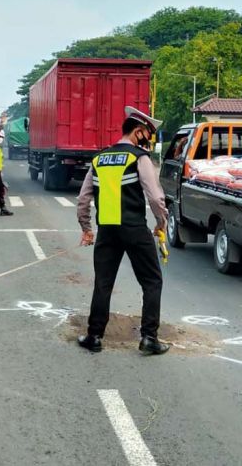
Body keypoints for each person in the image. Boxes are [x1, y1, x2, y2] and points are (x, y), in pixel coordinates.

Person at [76, 106, 170, 356]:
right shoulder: (139, 158)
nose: (148, 140)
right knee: (152, 281)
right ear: (138, 132)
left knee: (103, 283)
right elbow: (155, 197)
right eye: (147, 135)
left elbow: (83, 199)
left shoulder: (99, 158)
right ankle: (149, 337)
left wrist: (86, 228)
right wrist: (161, 222)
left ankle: (94, 336)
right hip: (134, 228)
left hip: (107, 231)